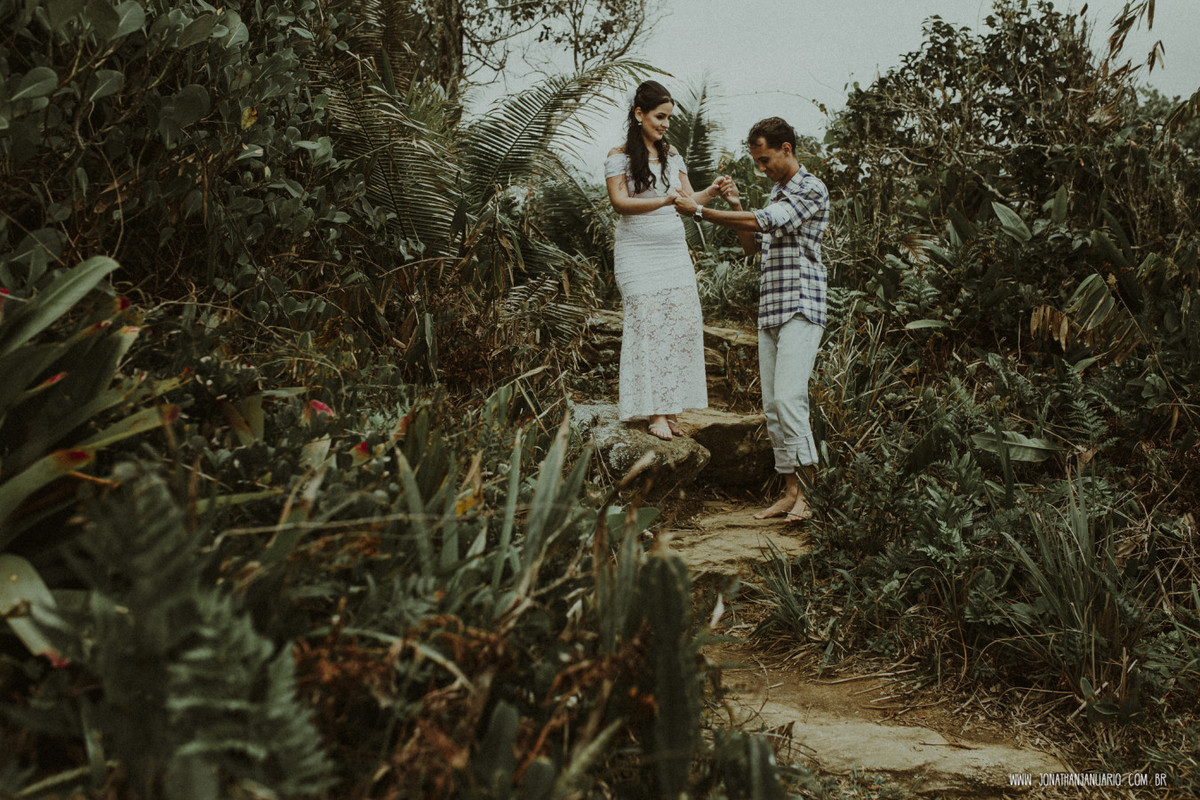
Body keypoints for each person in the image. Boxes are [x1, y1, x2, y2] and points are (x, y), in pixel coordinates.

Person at [673, 117, 829, 522]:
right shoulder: (776, 193)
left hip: (801, 305)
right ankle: (790, 492)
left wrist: (701, 212)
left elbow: (765, 222)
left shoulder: (810, 188)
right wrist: (737, 206)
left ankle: (811, 495)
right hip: (772, 310)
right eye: (758, 162)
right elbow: (751, 247)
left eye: (765, 160)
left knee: (790, 399)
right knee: (773, 407)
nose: (762, 168)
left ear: (786, 149)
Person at [604, 81, 722, 440]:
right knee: (649, 324)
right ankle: (652, 412)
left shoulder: (673, 156)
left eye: (669, 118)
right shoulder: (618, 156)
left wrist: (711, 192)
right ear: (639, 114)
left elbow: (687, 200)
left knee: (681, 324)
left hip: (672, 251)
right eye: (660, 116)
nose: (665, 124)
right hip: (637, 253)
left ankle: (670, 409)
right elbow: (620, 203)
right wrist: (664, 202)